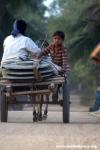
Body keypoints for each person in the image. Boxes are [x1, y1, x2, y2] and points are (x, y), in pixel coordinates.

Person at [38, 30, 70, 103]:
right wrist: (38, 56)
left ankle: (56, 93)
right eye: (55, 38)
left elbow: (65, 60)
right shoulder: (51, 46)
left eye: (58, 39)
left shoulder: (63, 49)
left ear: (62, 40)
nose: (56, 40)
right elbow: (44, 52)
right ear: (53, 39)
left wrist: (64, 69)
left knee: (59, 78)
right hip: (51, 67)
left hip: (59, 67)